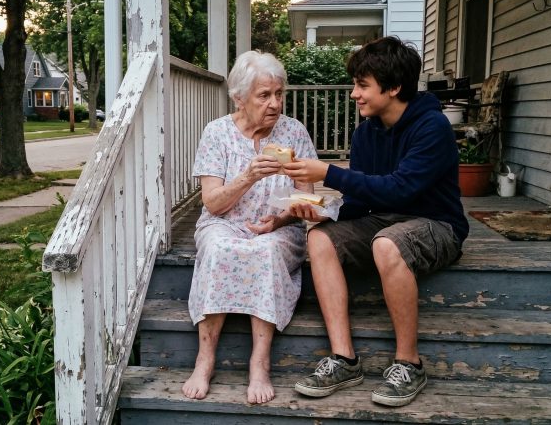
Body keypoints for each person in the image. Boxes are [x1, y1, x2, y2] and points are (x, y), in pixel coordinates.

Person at [283, 36, 468, 407]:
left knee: (387, 244)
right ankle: (344, 358)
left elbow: (400, 190)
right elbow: (363, 199)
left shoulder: (432, 127)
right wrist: (327, 212)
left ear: (394, 87)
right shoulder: (366, 131)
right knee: (320, 238)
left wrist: (328, 173)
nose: (354, 94)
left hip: (435, 224)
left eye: (362, 85)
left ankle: (409, 363)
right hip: (383, 219)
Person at [181, 50, 318, 404]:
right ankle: (205, 358)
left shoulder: (294, 133)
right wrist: (247, 176)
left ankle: (260, 363)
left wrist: (283, 218)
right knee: (217, 247)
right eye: (264, 95)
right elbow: (212, 203)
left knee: (266, 250)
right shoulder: (217, 133)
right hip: (223, 223)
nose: (275, 103)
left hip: (276, 230)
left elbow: (307, 199)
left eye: (279, 93)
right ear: (240, 98)